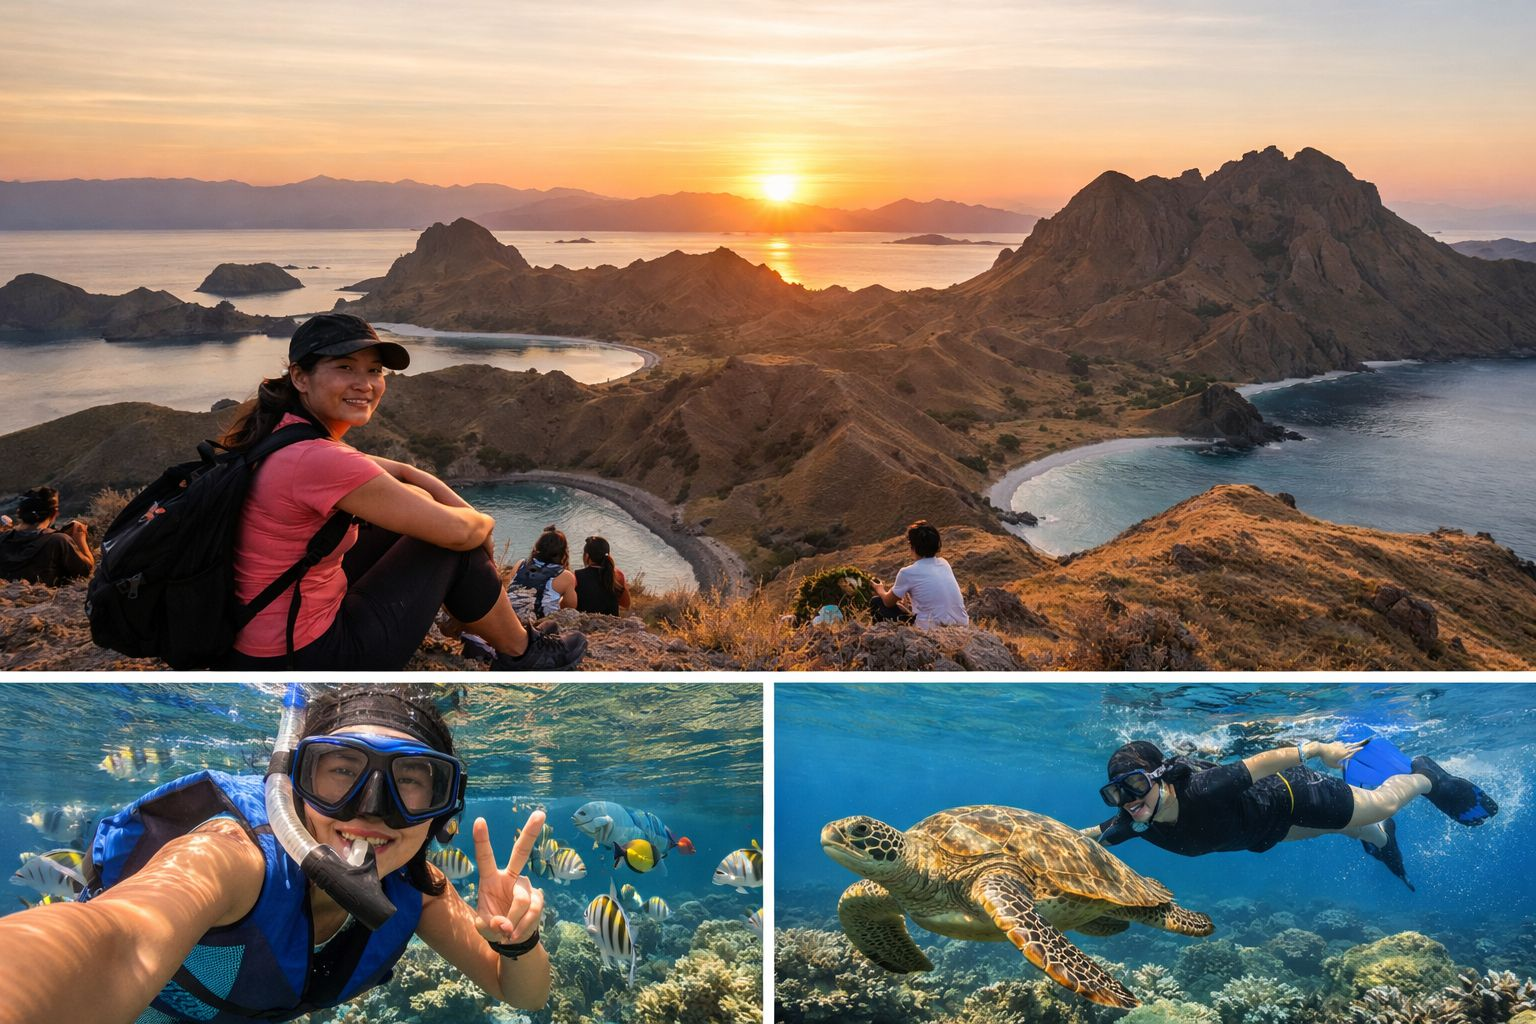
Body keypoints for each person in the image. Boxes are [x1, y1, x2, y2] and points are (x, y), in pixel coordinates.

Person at [0, 686, 550, 1022]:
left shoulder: (420, 889)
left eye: (410, 781)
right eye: (341, 773)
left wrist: (519, 942)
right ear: (294, 786)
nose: (371, 811)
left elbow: (519, 995)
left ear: (440, 807)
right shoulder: (232, 857)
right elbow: (116, 944)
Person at [220, 312, 584, 671]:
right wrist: (483, 523)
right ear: (300, 377)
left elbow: (402, 472)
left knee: (418, 516)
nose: (365, 383)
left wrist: (459, 513)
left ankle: (493, 632)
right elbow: (457, 533)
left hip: (262, 640)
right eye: (345, 367)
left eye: (374, 370)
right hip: (306, 655)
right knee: (448, 544)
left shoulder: (283, 433)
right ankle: (523, 652)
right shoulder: (317, 460)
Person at [1082, 739, 1500, 890]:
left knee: (1383, 804)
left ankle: (1426, 778)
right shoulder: (1132, 823)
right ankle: (1380, 836)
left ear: (1162, 778)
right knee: (1368, 834)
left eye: (1135, 787)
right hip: (1264, 832)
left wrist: (1320, 750)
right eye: (1115, 794)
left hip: (1292, 795)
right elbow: (1079, 837)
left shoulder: (1207, 788)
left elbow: (1265, 762)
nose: (1129, 801)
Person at [869, 520, 969, 628]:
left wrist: (879, 589)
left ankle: (881, 638)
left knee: (877, 602)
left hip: (932, 630)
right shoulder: (944, 564)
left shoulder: (907, 572)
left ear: (913, 547)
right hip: (961, 627)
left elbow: (888, 602)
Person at [0, 486, 94, 585]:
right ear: (54, 514)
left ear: (19, 512)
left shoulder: (2, 538)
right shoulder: (59, 541)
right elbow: (86, 570)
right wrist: (80, 538)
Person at [507, 525, 578, 622]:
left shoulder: (521, 564)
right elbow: (569, 607)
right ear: (563, 552)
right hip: (538, 625)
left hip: (509, 620)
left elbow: (510, 591)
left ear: (537, 547)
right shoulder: (566, 576)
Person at [573, 535, 631, 615]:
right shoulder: (618, 575)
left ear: (587, 556)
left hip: (584, 623)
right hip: (611, 625)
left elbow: (570, 605)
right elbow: (626, 604)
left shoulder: (576, 576)